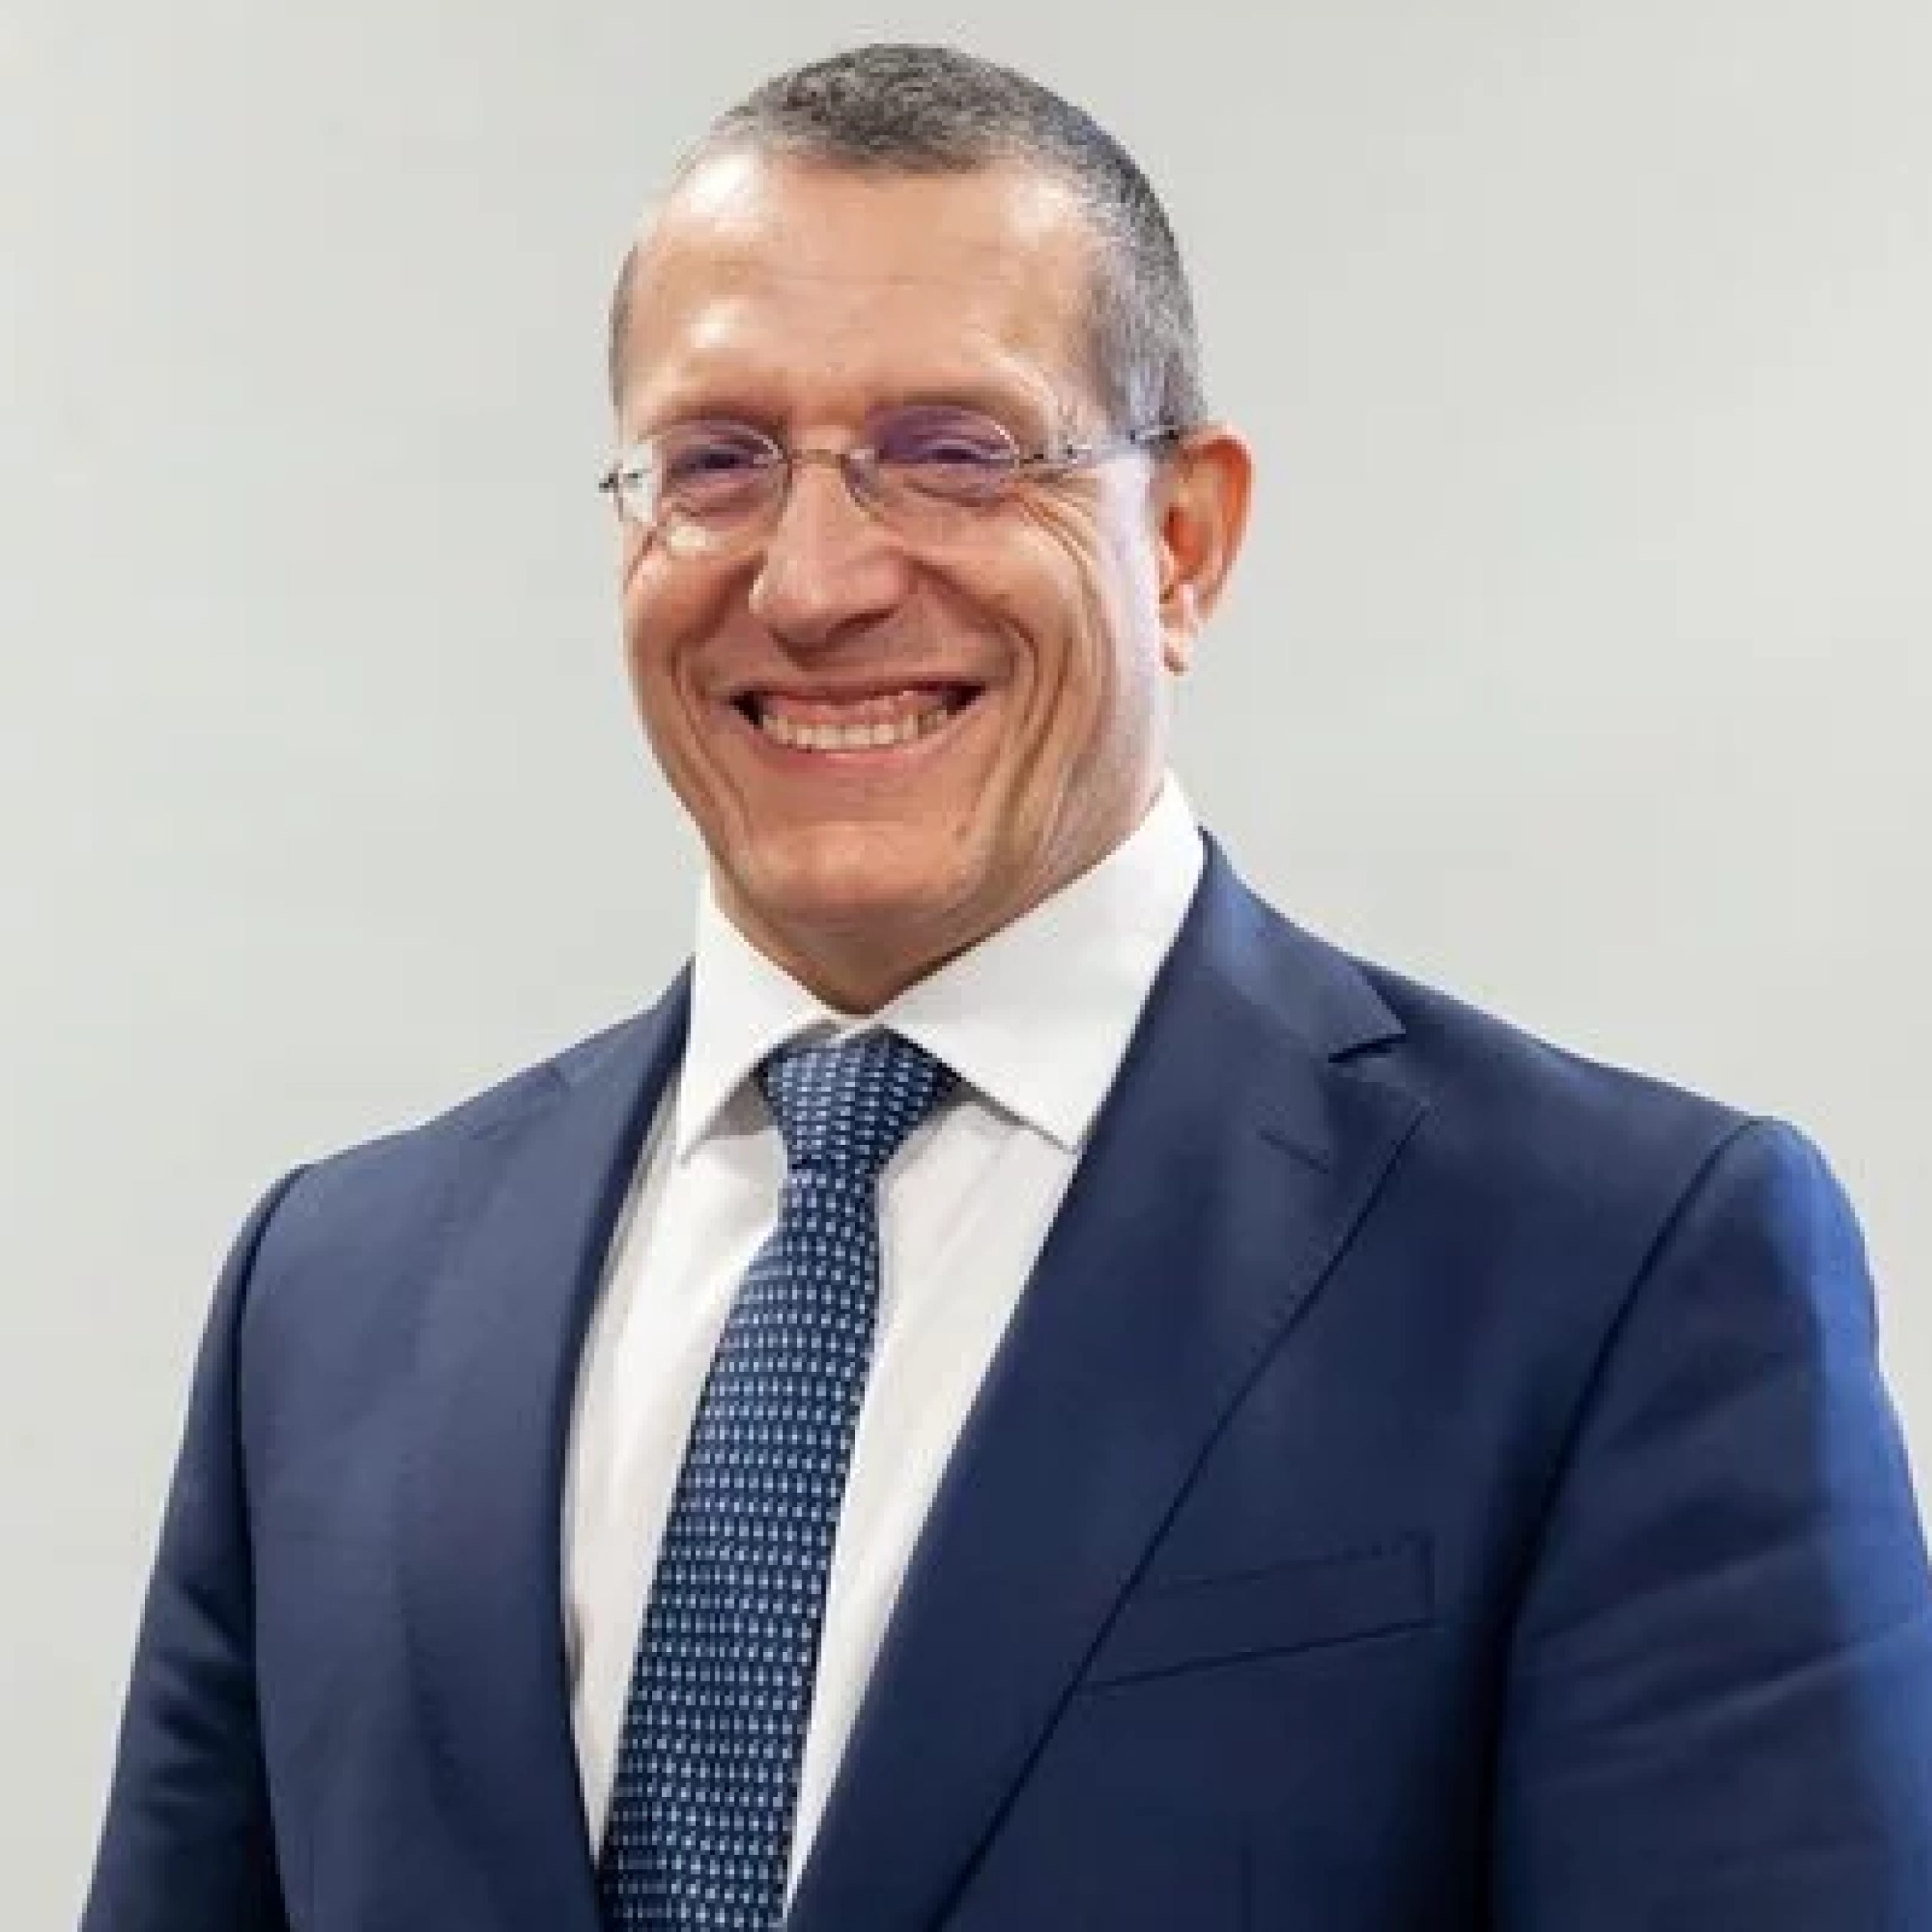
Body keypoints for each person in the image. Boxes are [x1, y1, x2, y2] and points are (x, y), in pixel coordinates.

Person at [83, 42, 1932, 1932]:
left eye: (954, 452)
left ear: (1184, 542)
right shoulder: (330, 1297)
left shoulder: (1610, 1273)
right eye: (714, 463)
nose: (812, 582)